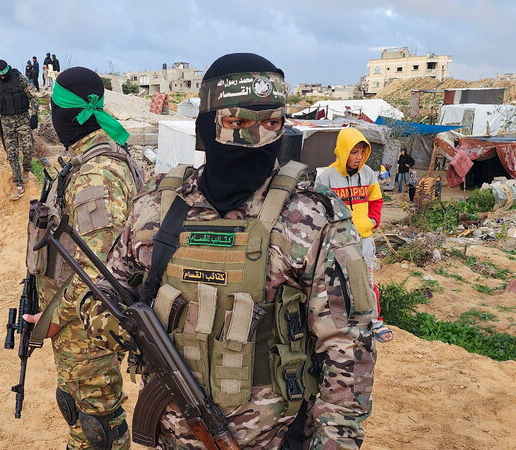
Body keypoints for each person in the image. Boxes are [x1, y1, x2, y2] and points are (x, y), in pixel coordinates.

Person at [79, 53, 376, 449]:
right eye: (238, 124)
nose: (258, 140)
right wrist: (129, 329)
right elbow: (101, 295)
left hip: (274, 438)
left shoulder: (311, 217)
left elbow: (349, 350)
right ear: (206, 126)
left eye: (272, 124)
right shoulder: (157, 207)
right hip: (172, 435)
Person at [22, 66, 143, 450]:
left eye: (54, 109)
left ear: (67, 114)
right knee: (79, 408)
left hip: (86, 323)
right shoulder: (90, 160)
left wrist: (53, 318)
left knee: (98, 423)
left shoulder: (96, 176)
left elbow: (98, 268)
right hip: (80, 318)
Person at [315, 128, 391, 343]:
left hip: (364, 238)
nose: (358, 157)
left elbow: (376, 200)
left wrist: (372, 221)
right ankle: (345, 324)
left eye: (361, 152)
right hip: (338, 242)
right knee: (338, 282)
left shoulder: (368, 174)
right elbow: (318, 207)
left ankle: (374, 322)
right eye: (353, 152)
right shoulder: (326, 177)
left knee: (366, 281)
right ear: (342, 151)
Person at [0, 60, 38, 199]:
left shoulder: (19, 79)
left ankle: (26, 169)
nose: (2, 77)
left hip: (23, 120)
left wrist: (34, 115)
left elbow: (33, 97)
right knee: (11, 154)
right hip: (6, 123)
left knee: (28, 149)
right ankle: (18, 184)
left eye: (4, 74)